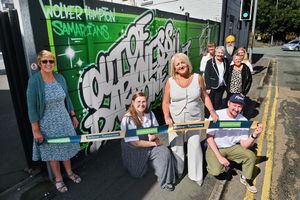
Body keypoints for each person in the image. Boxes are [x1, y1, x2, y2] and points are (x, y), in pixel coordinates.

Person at [26, 50, 81, 193]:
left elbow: (67, 98)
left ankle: (69, 173)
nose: (48, 64)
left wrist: (73, 115)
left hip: (64, 120)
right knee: (53, 153)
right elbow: (31, 107)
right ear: (39, 63)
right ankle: (58, 179)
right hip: (47, 123)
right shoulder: (34, 81)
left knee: (67, 148)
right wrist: (36, 130)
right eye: (45, 61)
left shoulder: (59, 78)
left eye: (51, 61)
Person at [162, 53, 218, 186]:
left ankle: (196, 175)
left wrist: (212, 111)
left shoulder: (198, 78)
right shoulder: (170, 82)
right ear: (174, 68)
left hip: (194, 119)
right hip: (175, 121)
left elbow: (204, 96)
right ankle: (177, 172)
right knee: (176, 147)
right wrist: (166, 116)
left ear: (188, 63)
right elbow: (165, 102)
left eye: (183, 62)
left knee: (195, 146)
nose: (181, 65)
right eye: (177, 64)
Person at [205, 93, 263, 193]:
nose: (236, 109)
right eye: (234, 105)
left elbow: (244, 145)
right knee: (216, 171)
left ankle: (245, 178)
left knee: (250, 156)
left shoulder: (243, 120)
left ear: (242, 107)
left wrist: (254, 135)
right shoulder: (216, 115)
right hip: (215, 146)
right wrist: (219, 157)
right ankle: (216, 162)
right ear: (228, 103)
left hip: (231, 147)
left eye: (239, 106)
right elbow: (209, 138)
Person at [120, 92, 176, 191]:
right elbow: (135, 143)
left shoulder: (150, 114)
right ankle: (132, 162)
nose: (141, 104)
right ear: (133, 102)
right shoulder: (127, 119)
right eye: (138, 101)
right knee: (138, 174)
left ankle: (166, 182)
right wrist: (154, 143)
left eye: (144, 101)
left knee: (165, 152)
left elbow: (157, 130)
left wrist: (154, 135)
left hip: (149, 144)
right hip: (134, 148)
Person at [204, 46, 229, 117]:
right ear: (215, 53)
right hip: (212, 86)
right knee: (210, 103)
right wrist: (208, 87)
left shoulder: (225, 61)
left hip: (221, 86)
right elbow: (207, 75)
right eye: (218, 52)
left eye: (222, 53)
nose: (220, 54)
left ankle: (216, 117)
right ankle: (207, 117)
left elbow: (227, 73)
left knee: (218, 103)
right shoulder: (210, 62)